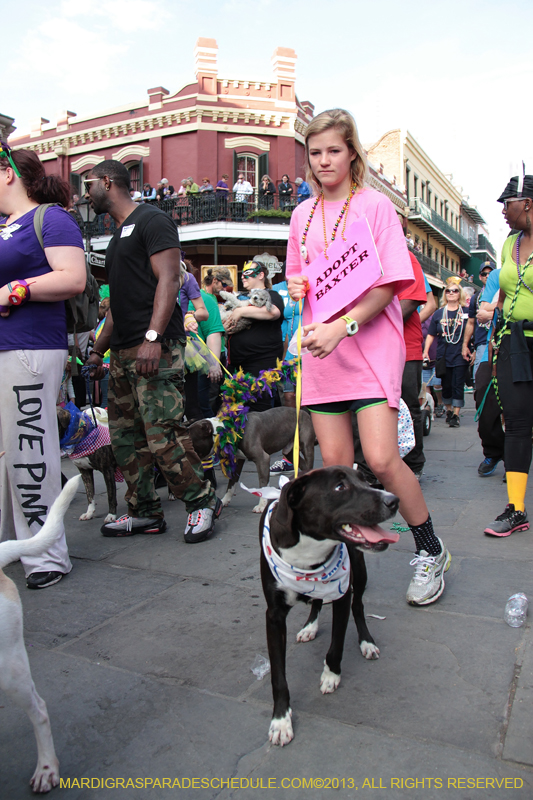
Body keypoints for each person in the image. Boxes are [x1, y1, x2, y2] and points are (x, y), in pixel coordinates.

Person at [286, 108, 451, 607]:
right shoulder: (301, 214)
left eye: (333, 150)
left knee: (380, 459)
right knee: (337, 469)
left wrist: (343, 326)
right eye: (315, 153)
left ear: (352, 152)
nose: (323, 161)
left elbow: (388, 287)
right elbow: (300, 280)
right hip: (322, 353)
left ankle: (430, 550)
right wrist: (298, 285)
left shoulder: (375, 206)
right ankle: (342, 573)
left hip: (369, 347)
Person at [84, 160, 221, 544]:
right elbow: (119, 307)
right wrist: (97, 353)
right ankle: (145, 512)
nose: (84, 194)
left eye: (88, 184)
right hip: (124, 353)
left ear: (107, 182)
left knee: (164, 433)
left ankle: (202, 502)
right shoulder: (114, 240)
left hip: (155, 348)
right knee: (126, 439)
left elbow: (169, 279)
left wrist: (153, 336)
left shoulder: (152, 220)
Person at [0, 143, 86, 588]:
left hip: (29, 347)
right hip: (6, 349)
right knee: (4, 456)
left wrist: (14, 290)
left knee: (28, 452)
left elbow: (73, 277)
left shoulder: (50, 218)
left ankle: (46, 556)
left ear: (7, 172)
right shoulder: (5, 226)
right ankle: (13, 547)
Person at [483, 175, 533, 537]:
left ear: (527, 203)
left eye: (507, 204)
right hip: (514, 342)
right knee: (516, 424)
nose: (502, 211)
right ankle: (516, 509)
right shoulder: (510, 245)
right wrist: (492, 309)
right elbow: (504, 292)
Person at [224, 261, 283, 413]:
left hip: (260, 363)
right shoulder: (242, 298)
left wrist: (241, 312)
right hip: (236, 364)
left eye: (247, 274)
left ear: (261, 275)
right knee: (233, 409)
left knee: (258, 408)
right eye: (242, 274)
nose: (243, 277)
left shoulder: (271, 295)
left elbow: (273, 312)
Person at [423, 281, 469, 428]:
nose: (451, 293)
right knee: (446, 385)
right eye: (448, 291)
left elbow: (471, 330)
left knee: (458, 384)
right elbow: (431, 334)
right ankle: (448, 410)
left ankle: (456, 414)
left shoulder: (465, 312)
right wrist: (425, 351)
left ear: (459, 293)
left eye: (455, 291)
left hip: (460, 354)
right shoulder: (438, 313)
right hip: (443, 355)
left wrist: (469, 348)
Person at [474, 263, 504, 477]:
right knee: (482, 395)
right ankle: (494, 451)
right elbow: (483, 311)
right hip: (493, 348)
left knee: (517, 409)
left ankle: (515, 460)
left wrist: (495, 306)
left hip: (524, 346)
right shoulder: (497, 276)